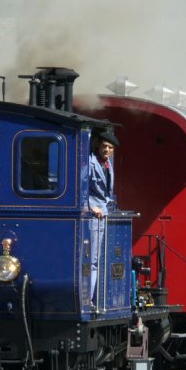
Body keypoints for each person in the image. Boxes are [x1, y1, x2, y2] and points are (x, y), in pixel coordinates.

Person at [88, 129, 118, 310]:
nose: (107, 150)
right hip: (93, 215)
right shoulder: (90, 163)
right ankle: (88, 299)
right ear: (98, 146)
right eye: (104, 146)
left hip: (104, 214)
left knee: (99, 260)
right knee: (92, 260)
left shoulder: (108, 165)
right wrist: (91, 207)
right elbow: (80, 188)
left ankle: (97, 298)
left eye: (110, 147)